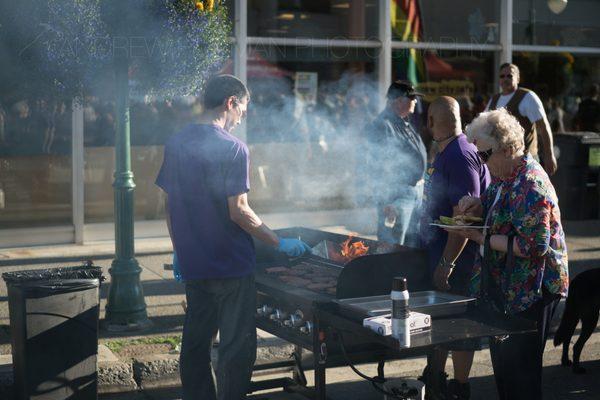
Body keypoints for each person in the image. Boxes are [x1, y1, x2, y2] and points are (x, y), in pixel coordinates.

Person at [155, 74, 310, 400]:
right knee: (235, 350)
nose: (243, 116)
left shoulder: (177, 142)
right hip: (231, 267)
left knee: (196, 345)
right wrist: (278, 242)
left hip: (195, 264)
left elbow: (170, 204)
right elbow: (239, 211)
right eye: (243, 108)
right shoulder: (233, 148)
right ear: (230, 102)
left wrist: (179, 250)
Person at [449, 108, 569, 400]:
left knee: (521, 379)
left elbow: (533, 247)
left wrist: (481, 237)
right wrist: (476, 205)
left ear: (506, 148)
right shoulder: (505, 174)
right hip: (506, 288)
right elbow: (493, 202)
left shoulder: (531, 184)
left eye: (484, 155)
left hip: (531, 291)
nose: (482, 162)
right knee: (504, 372)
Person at [419, 97, 490, 400]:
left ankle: (459, 387)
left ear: (433, 122)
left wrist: (446, 264)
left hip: (459, 260)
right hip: (441, 252)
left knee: (459, 325)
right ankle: (435, 374)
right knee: (440, 321)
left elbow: (464, 220)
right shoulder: (445, 151)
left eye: (428, 120)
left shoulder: (460, 155)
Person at [363, 80, 427, 246]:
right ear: (398, 100)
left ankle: (408, 273)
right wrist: (386, 200)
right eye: (411, 98)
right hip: (396, 196)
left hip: (415, 192)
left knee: (412, 245)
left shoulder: (403, 121)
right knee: (392, 247)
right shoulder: (381, 125)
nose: (415, 101)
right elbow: (374, 165)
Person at [485, 63, 557, 176]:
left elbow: (543, 126)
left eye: (509, 76)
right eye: (502, 76)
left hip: (524, 160)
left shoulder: (528, 97)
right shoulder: (494, 99)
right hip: (500, 162)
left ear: (518, 78)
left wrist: (549, 155)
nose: (505, 79)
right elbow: (483, 127)